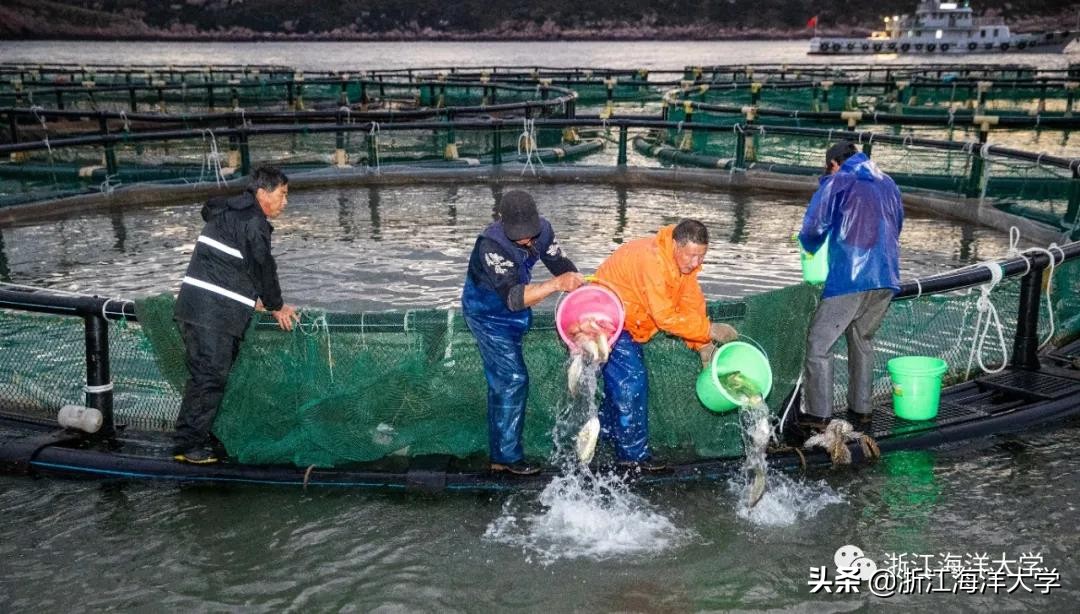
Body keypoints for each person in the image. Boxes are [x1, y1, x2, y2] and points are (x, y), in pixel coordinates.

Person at [172, 165, 299, 464]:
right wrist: (276, 305)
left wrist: (251, 301)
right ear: (262, 193)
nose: (285, 202)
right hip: (210, 314)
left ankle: (201, 436)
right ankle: (186, 446)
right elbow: (263, 267)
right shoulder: (252, 221)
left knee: (210, 376)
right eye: (282, 195)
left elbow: (229, 267)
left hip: (202, 309)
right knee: (209, 377)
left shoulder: (231, 213)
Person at [592, 219, 738, 472]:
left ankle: (605, 436)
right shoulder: (653, 262)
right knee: (632, 382)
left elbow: (690, 304)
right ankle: (632, 458)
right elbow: (665, 317)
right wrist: (710, 330)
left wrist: (702, 344)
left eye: (701, 256)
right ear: (675, 245)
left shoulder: (685, 266)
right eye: (691, 256)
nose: (696, 263)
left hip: (630, 315)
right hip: (606, 316)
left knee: (622, 384)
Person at [462, 190, 585, 476]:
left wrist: (582, 293)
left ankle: (502, 451)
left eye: (531, 233)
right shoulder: (490, 245)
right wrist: (556, 285)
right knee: (513, 379)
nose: (529, 240)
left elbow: (562, 265)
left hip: (518, 314)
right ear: (503, 224)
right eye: (520, 236)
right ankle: (504, 460)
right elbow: (513, 297)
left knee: (506, 380)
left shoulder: (543, 231)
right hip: (488, 315)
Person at [798, 141, 904, 430]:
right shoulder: (889, 182)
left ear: (833, 163)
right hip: (887, 277)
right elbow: (898, 224)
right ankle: (862, 411)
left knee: (819, 344)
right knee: (862, 340)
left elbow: (814, 226)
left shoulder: (840, 179)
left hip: (851, 277)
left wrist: (808, 247)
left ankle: (819, 416)